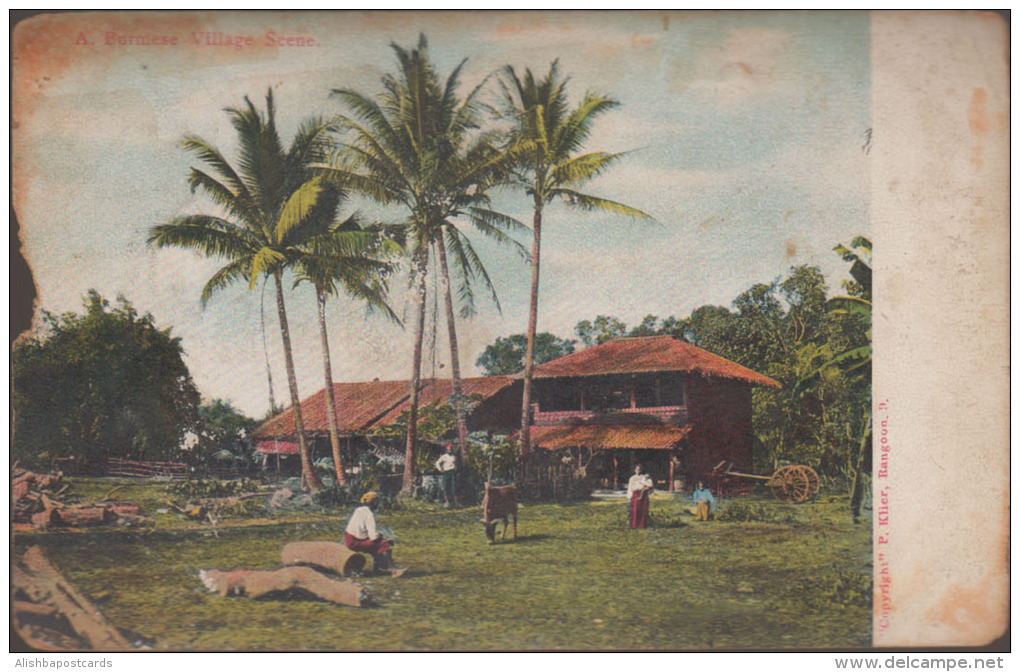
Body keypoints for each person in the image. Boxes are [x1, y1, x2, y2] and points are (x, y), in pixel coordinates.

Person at [344, 491, 404, 575]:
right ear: (374, 503)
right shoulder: (369, 515)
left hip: (349, 538)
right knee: (385, 544)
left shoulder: (359, 510)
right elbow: (373, 536)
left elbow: (361, 530)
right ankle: (391, 568)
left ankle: (379, 568)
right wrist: (382, 537)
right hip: (355, 542)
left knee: (377, 545)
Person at [627, 463, 654, 529]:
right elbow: (631, 487)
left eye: (639, 469)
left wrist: (643, 482)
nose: (638, 470)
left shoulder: (644, 477)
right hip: (636, 494)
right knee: (635, 510)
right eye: (636, 469)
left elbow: (650, 485)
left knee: (643, 510)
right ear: (634, 470)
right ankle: (634, 525)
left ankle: (642, 525)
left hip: (643, 495)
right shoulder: (632, 478)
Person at [434, 443, 458, 508]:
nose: (449, 450)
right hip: (446, 472)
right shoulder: (444, 456)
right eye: (448, 449)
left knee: (453, 487)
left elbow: (455, 463)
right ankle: (447, 502)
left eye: (451, 449)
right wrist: (440, 469)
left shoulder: (454, 456)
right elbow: (437, 463)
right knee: (446, 488)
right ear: (446, 450)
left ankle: (454, 503)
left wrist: (455, 467)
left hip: (452, 472)